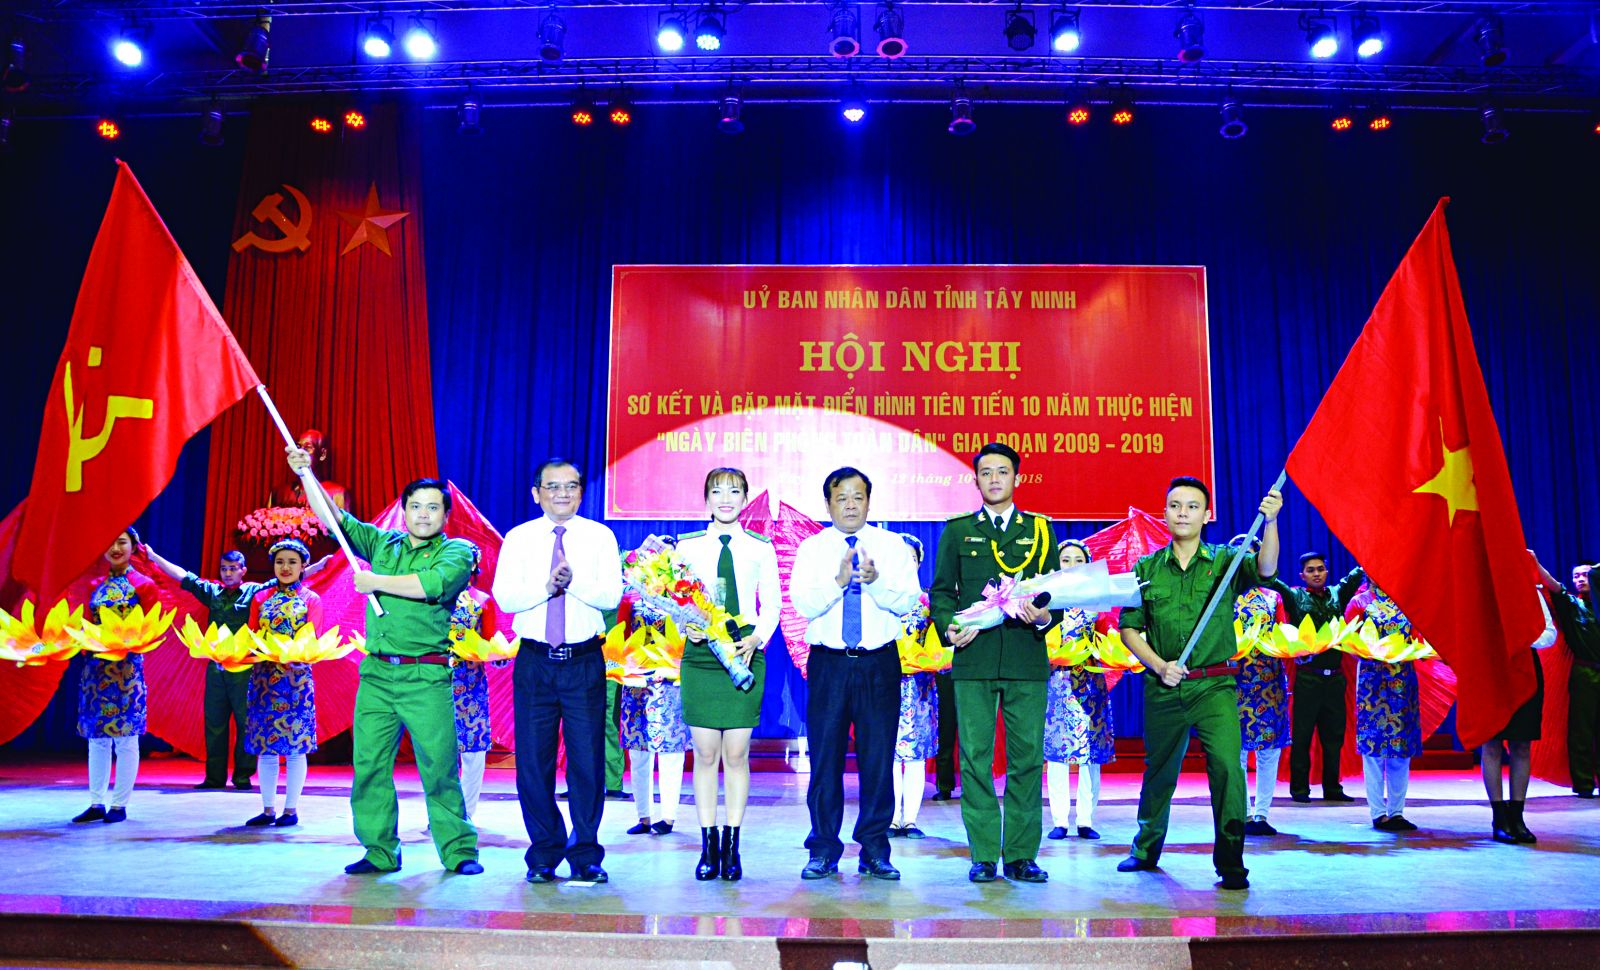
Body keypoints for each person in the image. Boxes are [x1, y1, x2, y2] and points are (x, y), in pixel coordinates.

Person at [287, 445, 482, 876]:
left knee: (438, 767)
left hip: (426, 675)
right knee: (369, 765)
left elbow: (431, 585)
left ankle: (458, 851)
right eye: (416, 506)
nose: (423, 515)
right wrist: (305, 476)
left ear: (445, 515)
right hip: (376, 675)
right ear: (404, 510)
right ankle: (379, 851)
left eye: (433, 508)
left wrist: (374, 581)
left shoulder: (457, 552)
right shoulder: (383, 542)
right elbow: (333, 520)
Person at [1116, 476, 1282, 892]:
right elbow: (1129, 629)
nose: (1183, 513)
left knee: (1227, 768)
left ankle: (1231, 861)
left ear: (1207, 515)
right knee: (1159, 772)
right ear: (1164, 513)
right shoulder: (1146, 568)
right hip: (1164, 688)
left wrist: (1271, 521)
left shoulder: (1226, 561)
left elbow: (1266, 569)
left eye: (1192, 506)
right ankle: (1145, 849)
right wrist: (1159, 666)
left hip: (1214, 686)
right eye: (1175, 506)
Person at [931, 442, 1060, 884]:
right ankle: (984, 854)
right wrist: (948, 626)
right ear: (976, 480)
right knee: (975, 759)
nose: (994, 479)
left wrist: (1045, 616)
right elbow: (942, 592)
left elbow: (1056, 594)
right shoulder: (958, 531)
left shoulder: (1040, 530)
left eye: (1002, 471)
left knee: (1027, 760)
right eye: (986, 472)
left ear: (1016, 478)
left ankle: (1021, 855)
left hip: (1026, 658)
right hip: (975, 659)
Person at [493, 458, 623, 885]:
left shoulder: (600, 536)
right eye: (553, 486)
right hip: (534, 662)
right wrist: (547, 587)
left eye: (571, 485)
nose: (562, 493)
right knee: (533, 763)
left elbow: (611, 596)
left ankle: (585, 854)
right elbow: (505, 598)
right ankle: (545, 851)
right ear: (537, 493)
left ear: (581, 492)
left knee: (587, 761)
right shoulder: (519, 538)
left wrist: (572, 581)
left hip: (584, 661)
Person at [790, 467, 921, 881]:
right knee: (825, 758)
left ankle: (875, 849)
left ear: (869, 501)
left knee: (878, 759)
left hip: (878, 663)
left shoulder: (892, 546)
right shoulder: (812, 548)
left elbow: (909, 601)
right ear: (828, 504)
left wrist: (876, 583)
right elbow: (803, 604)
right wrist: (839, 581)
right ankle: (823, 848)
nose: (850, 505)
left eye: (857, 497)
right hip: (829, 664)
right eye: (841, 498)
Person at [145, 546, 329, 791]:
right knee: (214, 721)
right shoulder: (212, 592)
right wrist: (154, 557)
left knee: (246, 723)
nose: (228, 573)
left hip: (245, 666)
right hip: (217, 667)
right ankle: (214, 777)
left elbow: (288, 576)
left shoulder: (255, 592)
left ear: (243, 570)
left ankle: (243, 776)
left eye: (233, 569)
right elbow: (183, 577)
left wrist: (318, 566)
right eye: (224, 569)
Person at [676, 468, 780, 881]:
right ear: (706, 499)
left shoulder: (760, 547)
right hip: (702, 656)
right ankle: (708, 845)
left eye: (734, 492)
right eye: (717, 491)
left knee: (736, 754)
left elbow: (772, 604)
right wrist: (684, 625)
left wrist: (757, 638)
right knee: (704, 754)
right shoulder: (686, 546)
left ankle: (733, 845)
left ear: (744, 499)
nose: (725, 499)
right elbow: (674, 600)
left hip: (743, 653)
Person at [71, 528, 157, 825]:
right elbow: (84, 625)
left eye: (122, 542)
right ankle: (96, 803)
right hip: (96, 670)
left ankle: (119, 805)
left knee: (125, 738)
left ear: (133, 546)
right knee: (97, 738)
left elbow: (152, 627)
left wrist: (128, 642)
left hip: (127, 670)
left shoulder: (143, 585)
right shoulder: (95, 586)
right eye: (110, 543)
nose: (116, 548)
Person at [1267, 552, 1365, 803]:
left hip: (1335, 680)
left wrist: (1371, 551)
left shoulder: (1338, 594)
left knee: (1334, 737)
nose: (1317, 573)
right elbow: (1270, 578)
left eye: (1320, 569)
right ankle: (1300, 790)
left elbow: (1358, 572)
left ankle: (1332, 788)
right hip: (1308, 679)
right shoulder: (1294, 597)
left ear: (1327, 571)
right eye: (1311, 570)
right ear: (1302, 575)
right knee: (1302, 736)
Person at [243, 539, 323, 828]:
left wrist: (297, 657)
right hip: (264, 679)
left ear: (303, 566)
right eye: (279, 562)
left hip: (295, 681)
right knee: (266, 747)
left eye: (292, 562)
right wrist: (231, 658)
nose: (285, 567)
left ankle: (290, 810)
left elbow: (313, 639)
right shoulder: (260, 598)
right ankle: (267, 809)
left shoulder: (311, 599)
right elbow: (251, 637)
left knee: (294, 747)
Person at [1044, 539, 1114, 842]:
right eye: (1066, 560)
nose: (1072, 565)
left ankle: (1085, 820)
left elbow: (1110, 636)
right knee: (1057, 755)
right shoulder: (1047, 597)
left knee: (1090, 754)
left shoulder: (1097, 599)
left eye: (1078, 560)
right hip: (1057, 683)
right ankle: (1059, 820)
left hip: (1090, 685)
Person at [1344, 583, 1423, 833]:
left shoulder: (1407, 600)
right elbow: (1348, 640)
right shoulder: (1359, 602)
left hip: (1403, 678)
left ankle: (1397, 811)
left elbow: (1418, 637)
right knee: (1374, 747)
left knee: (1400, 747)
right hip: (1373, 680)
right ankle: (1378, 812)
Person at [1230, 535, 1291, 837]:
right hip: (1233, 681)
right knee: (1237, 750)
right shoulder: (1222, 596)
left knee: (1269, 750)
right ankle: (1242, 812)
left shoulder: (1272, 597)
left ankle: (1262, 813)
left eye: (1250, 556)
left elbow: (1283, 634)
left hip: (1269, 681)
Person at [446, 542, 498, 822]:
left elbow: (489, 643)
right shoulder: (434, 597)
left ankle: (466, 813)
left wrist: (497, 657)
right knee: (439, 749)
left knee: (473, 749)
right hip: (436, 683)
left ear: (474, 565)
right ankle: (443, 812)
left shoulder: (482, 601)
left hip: (471, 684)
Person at [890, 532, 937, 840]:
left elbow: (941, 640)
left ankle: (911, 820)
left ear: (919, 562)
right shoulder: (883, 600)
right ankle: (892, 818)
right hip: (887, 685)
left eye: (911, 557)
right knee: (890, 754)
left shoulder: (930, 602)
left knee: (916, 755)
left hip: (920, 688)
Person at [1553, 561, 1600, 798]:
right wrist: (1535, 563)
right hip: (1585, 673)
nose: (1580, 579)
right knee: (1582, 731)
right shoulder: (1573, 606)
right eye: (1576, 576)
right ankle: (1583, 784)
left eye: (1586, 575)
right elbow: (1555, 588)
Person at [272, 429, 348, 510]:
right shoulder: (279, 493)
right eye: (298, 447)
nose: (300, 452)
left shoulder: (337, 493)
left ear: (323, 454)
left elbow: (342, 518)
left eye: (307, 448)